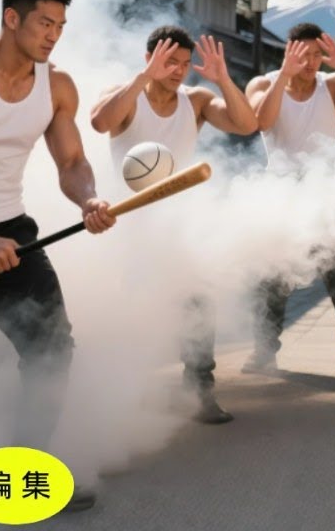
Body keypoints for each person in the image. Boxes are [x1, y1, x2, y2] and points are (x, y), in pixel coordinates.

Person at [0, 0, 117, 512]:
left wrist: (88, 199)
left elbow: (72, 161)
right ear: (11, 17)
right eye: (45, 22)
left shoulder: (57, 85)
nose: (53, 35)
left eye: (61, 26)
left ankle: (23, 474)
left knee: (51, 349)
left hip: (10, 232)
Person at [89, 25, 257, 424]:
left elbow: (247, 124)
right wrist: (143, 77)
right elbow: (99, 122)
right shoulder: (124, 95)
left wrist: (223, 79)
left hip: (180, 226)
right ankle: (124, 395)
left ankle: (199, 391)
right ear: (150, 58)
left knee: (199, 304)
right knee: (133, 313)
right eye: (170, 62)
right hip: (128, 225)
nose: (179, 70)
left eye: (184, 63)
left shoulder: (196, 100)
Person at [243, 23, 335, 384]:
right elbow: (261, 121)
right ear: (288, 52)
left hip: (326, 196)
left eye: (317, 55)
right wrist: (283, 76)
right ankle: (263, 351)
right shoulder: (263, 84)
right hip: (280, 197)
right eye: (303, 54)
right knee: (271, 279)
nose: (311, 62)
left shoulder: (333, 85)